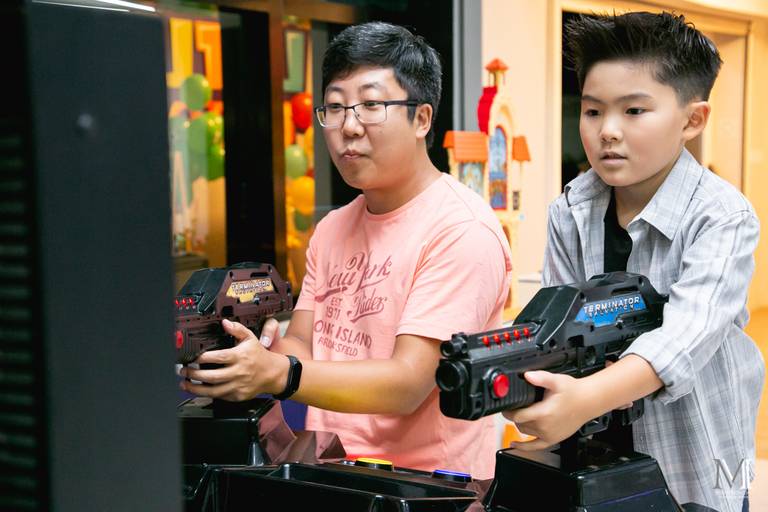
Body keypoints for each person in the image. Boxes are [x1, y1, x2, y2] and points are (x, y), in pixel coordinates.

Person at [180, 21, 512, 480]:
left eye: (371, 105)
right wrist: (253, 357)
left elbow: (407, 384)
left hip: (430, 488)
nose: (349, 127)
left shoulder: (461, 229)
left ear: (422, 119)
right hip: (331, 472)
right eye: (335, 108)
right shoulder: (333, 228)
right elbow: (305, 341)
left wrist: (279, 374)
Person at [503, 12, 762, 512]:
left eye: (635, 111)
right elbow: (556, 323)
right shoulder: (571, 209)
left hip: (701, 451)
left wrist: (583, 399)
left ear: (692, 120)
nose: (607, 132)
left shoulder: (723, 215)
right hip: (598, 452)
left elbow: (681, 340)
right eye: (593, 111)